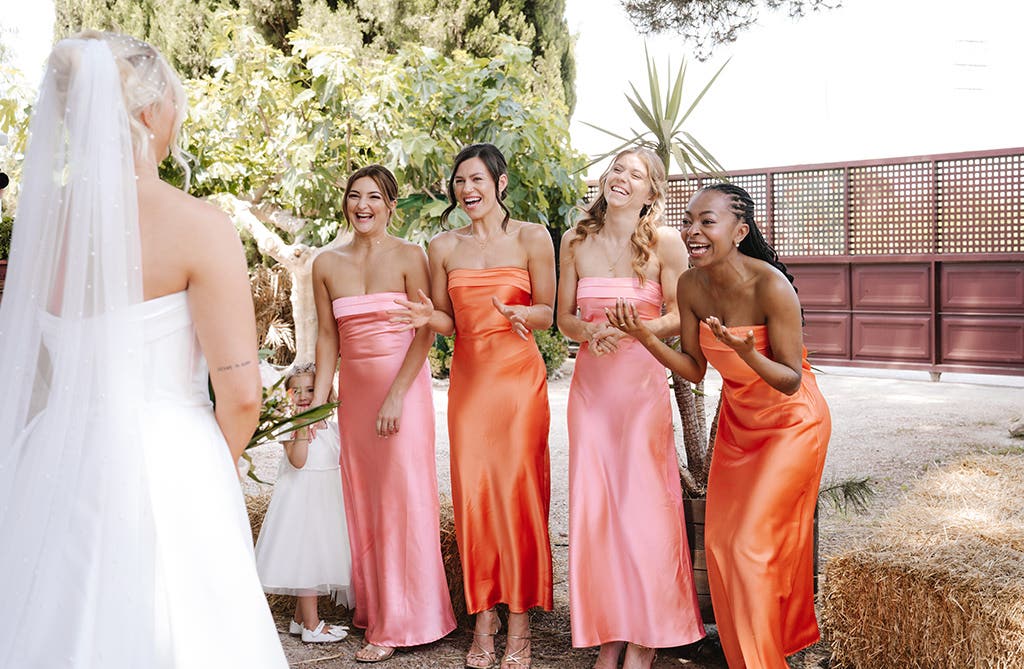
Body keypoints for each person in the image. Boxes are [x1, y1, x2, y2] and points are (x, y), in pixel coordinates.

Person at [0, 32, 287, 667]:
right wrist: (207, 470)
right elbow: (241, 395)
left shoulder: (42, 234)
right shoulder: (199, 226)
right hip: (171, 466)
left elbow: (33, 376)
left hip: (54, 462)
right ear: (155, 112)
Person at [610, 183, 830, 669]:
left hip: (791, 425)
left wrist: (750, 353)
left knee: (749, 546)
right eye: (689, 221)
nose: (692, 231)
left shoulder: (771, 286)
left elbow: (792, 381)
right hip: (738, 426)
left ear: (740, 231)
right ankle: (748, 656)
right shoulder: (690, 284)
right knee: (721, 546)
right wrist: (644, 334)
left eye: (706, 222)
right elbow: (693, 368)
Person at [390, 142, 555, 669]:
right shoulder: (442, 247)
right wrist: (424, 317)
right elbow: (447, 321)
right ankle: (484, 615)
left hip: (518, 381)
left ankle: (522, 618)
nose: (468, 190)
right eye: (461, 181)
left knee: (520, 491)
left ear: (501, 183)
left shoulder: (533, 237)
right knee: (475, 494)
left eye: (478, 179)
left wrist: (521, 315)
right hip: (471, 382)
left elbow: (549, 313)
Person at [557, 147, 705, 669]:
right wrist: (589, 330)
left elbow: (680, 315)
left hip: (641, 389)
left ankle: (646, 634)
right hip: (591, 393)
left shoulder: (666, 243)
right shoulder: (575, 240)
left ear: (651, 192)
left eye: (635, 174)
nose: (622, 178)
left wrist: (637, 330)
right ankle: (608, 632)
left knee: (645, 507)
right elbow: (563, 318)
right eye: (617, 169)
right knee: (597, 509)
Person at [311, 164, 456, 663]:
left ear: (391, 205)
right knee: (365, 501)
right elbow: (328, 337)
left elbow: (426, 330)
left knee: (403, 498)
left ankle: (405, 621)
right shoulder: (325, 263)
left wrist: (397, 394)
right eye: (354, 195)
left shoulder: (410, 256)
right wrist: (318, 403)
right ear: (345, 202)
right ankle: (378, 610)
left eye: (374, 196)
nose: (363, 205)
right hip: (354, 398)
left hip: (403, 391)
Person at [254, 362, 354, 643]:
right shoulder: (290, 426)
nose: (304, 395)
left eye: (311, 389)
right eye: (295, 390)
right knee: (308, 561)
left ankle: (300, 619)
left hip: (324, 503)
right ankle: (312, 626)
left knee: (315, 559)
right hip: (301, 504)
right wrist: (300, 427)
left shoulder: (332, 427)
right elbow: (298, 462)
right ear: (286, 396)